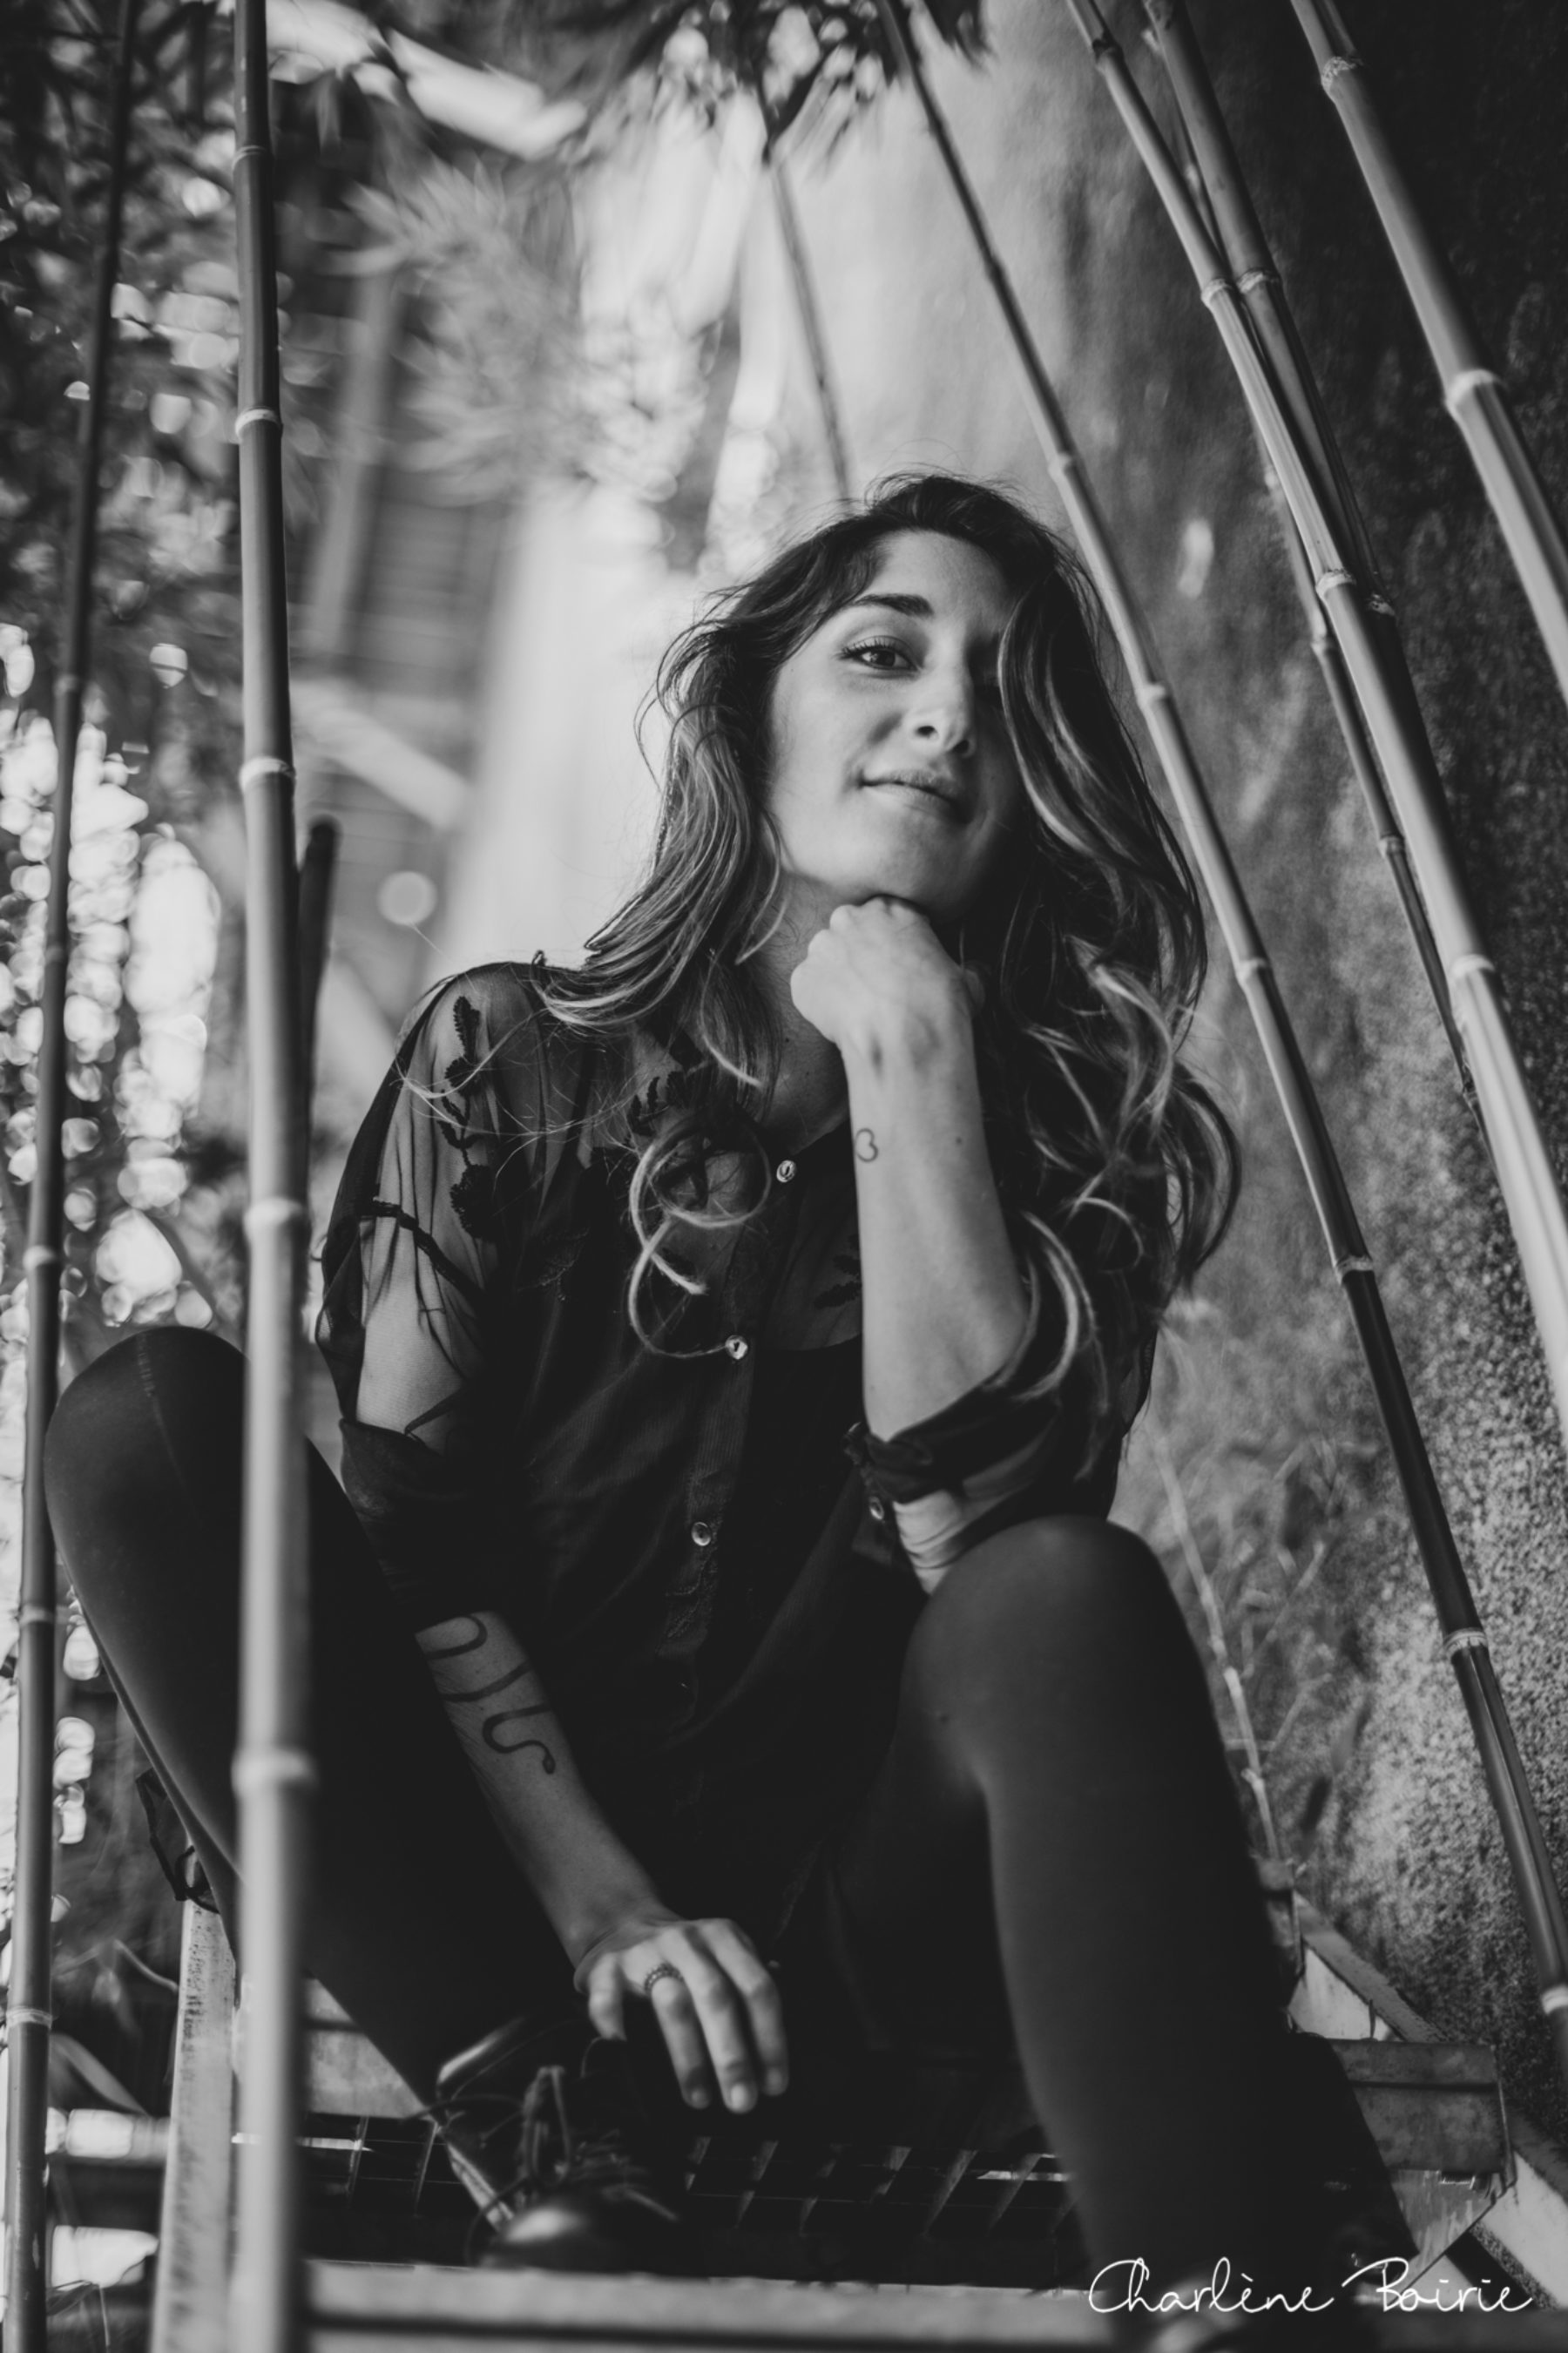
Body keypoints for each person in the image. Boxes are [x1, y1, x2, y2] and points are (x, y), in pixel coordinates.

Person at [47, 475, 1401, 2342]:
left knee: (1063, 1591)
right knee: (146, 1422)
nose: (946, 716)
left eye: (1002, 695)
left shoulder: (1063, 1156)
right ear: (753, 708)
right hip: (504, 1936)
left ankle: (1223, 2307)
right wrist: (605, 1911)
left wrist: (911, 1059)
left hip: (853, 1935)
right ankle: (562, 2144)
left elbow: (977, 1563)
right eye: (884, 652)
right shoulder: (506, 1069)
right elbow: (418, 1559)